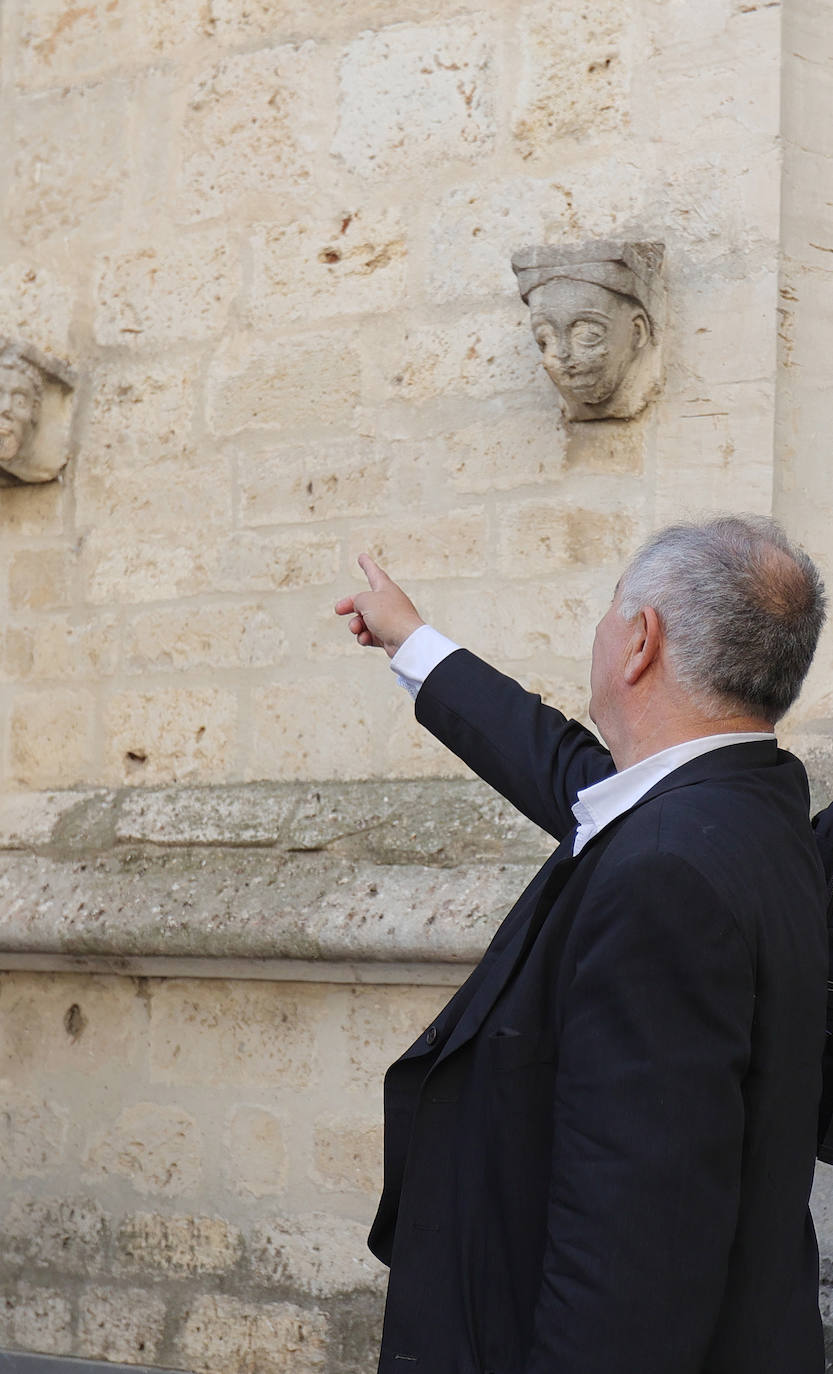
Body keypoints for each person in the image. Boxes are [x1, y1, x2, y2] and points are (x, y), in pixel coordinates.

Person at [335, 515, 829, 1374]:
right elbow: (566, 771)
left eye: (610, 614)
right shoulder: (750, 806)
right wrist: (411, 642)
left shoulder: (668, 877)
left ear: (638, 642)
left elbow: (630, 1252)